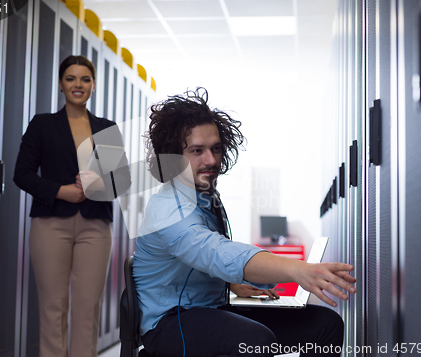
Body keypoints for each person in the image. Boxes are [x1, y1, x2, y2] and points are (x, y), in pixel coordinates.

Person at [133, 88, 356, 357]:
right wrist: (297, 270)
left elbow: (199, 262)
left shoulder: (203, 196)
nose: (211, 160)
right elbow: (214, 252)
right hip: (169, 325)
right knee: (254, 340)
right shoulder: (169, 208)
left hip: (207, 309)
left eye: (216, 148)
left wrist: (231, 285)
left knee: (325, 325)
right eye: (197, 151)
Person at [14, 55, 130, 357]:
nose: (78, 84)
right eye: (71, 78)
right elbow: (22, 173)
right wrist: (60, 191)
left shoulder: (107, 127)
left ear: (93, 85)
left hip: (96, 225)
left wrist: (99, 185)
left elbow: (122, 181)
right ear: (61, 84)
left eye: (85, 79)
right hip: (50, 223)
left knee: (88, 307)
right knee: (53, 307)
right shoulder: (42, 124)